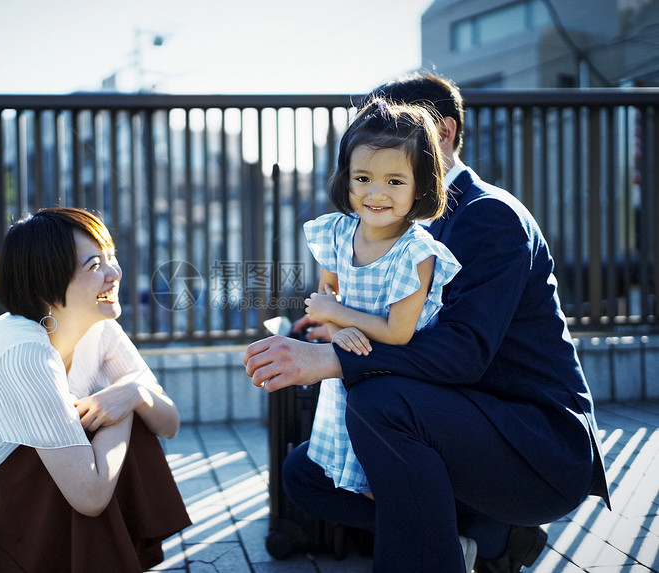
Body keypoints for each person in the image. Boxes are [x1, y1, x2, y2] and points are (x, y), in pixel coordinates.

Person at [244, 72, 610, 573]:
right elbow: (400, 320)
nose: (382, 161)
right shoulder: (404, 219)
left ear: (444, 133)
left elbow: (462, 352)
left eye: (401, 135)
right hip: (463, 418)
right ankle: (489, 537)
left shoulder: (489, 216)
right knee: (307, 473)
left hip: (536, 445)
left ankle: (444, 552)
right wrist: (337, 327)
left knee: (381, 403)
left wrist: (330, 360)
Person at [0, 207, 191, 572]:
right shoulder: (23, 353)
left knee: (104, 424)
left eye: (111, 257)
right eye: (93, 266)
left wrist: (134, 393)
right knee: (92, 436)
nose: (114, 274)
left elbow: (168, 423)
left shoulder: (99, 326)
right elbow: (89, 496)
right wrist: (120, 405)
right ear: (47, 284)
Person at [301, 98, 460, 501]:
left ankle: (440, 541)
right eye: (362, 178)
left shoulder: (416, 253)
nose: (376, 194)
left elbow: (398, 331)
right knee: (353, 477)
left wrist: (335, 314)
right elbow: (328, 292)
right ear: (346, 178)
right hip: (353, 366)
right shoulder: (337, 232)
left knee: (389, 477)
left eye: (395, 181)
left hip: (397, 377)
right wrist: (337, 331)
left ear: (421, 186)